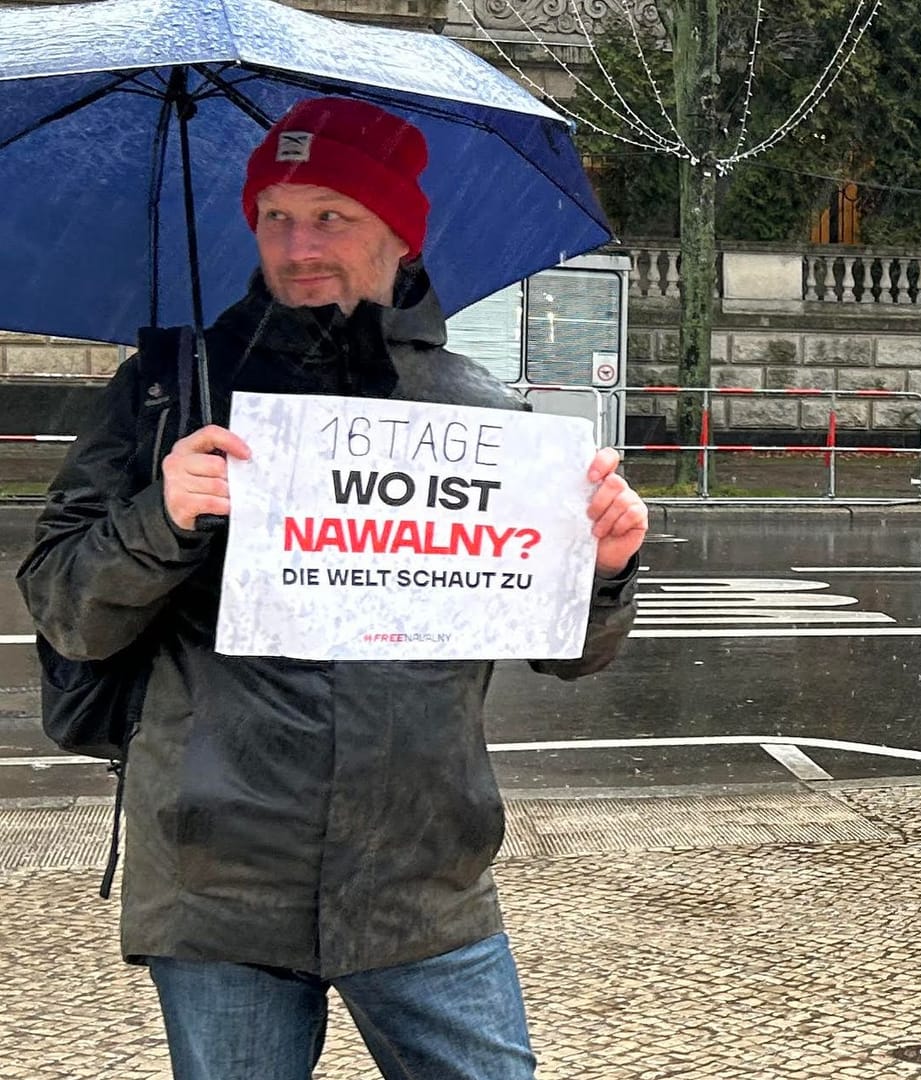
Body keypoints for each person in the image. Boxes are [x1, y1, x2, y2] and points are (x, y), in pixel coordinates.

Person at [16, 97, 647, 1080]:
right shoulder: (165, 391)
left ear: (400, 236)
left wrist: (602, 571)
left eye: (332, 215)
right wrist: (164, 514)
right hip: (219, 885)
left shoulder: (482, 414)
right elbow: (64, 608)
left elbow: (569, 653)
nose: (298, 243)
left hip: (424, 880)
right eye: (276, 215)